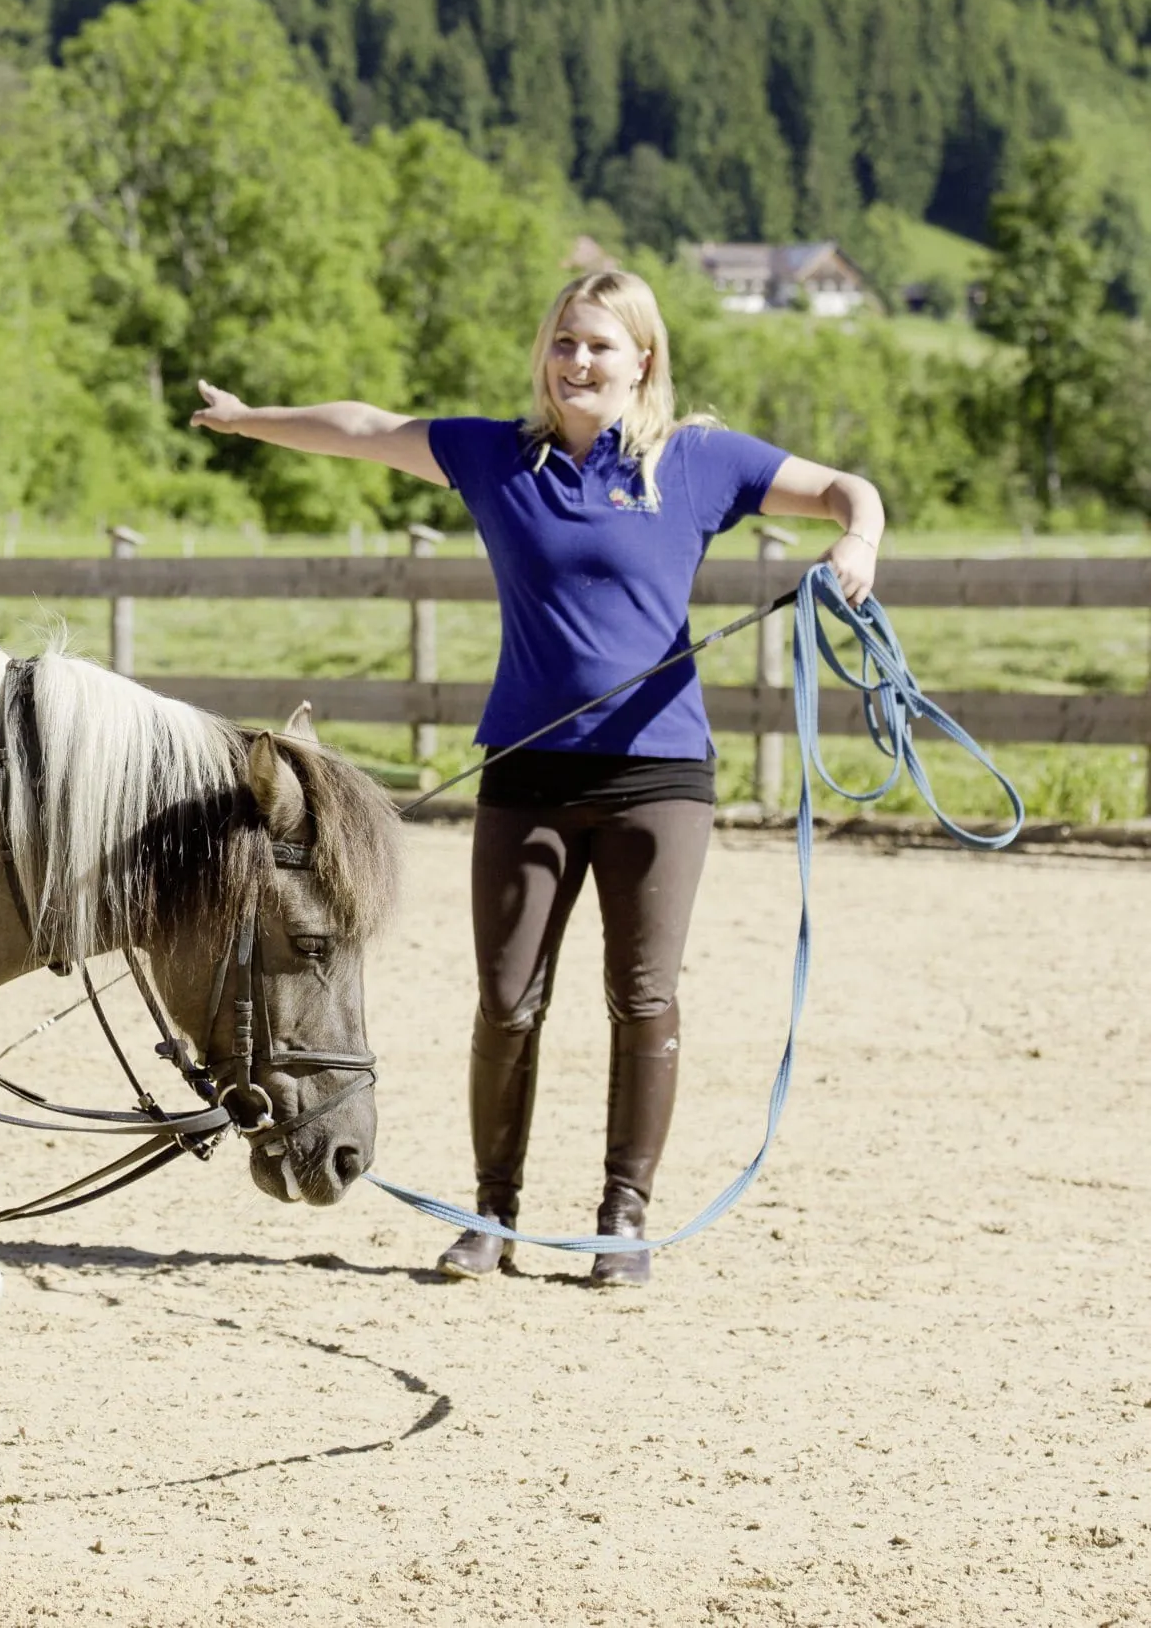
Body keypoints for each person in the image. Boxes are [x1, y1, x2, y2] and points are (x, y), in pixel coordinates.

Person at [188, 267, 883, 1287]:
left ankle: (623, 1220)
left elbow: (845, 489)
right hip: (526, 772)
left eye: (600, 344)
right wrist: (251, 421)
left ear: (643, 358)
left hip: (659, 779)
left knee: (642, 998)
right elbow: (367, 428)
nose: (578, 361)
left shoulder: (697, 462)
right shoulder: (498, 458)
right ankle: (492, 1213)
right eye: (564, 342)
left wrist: (858, 540)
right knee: (507, 1000)